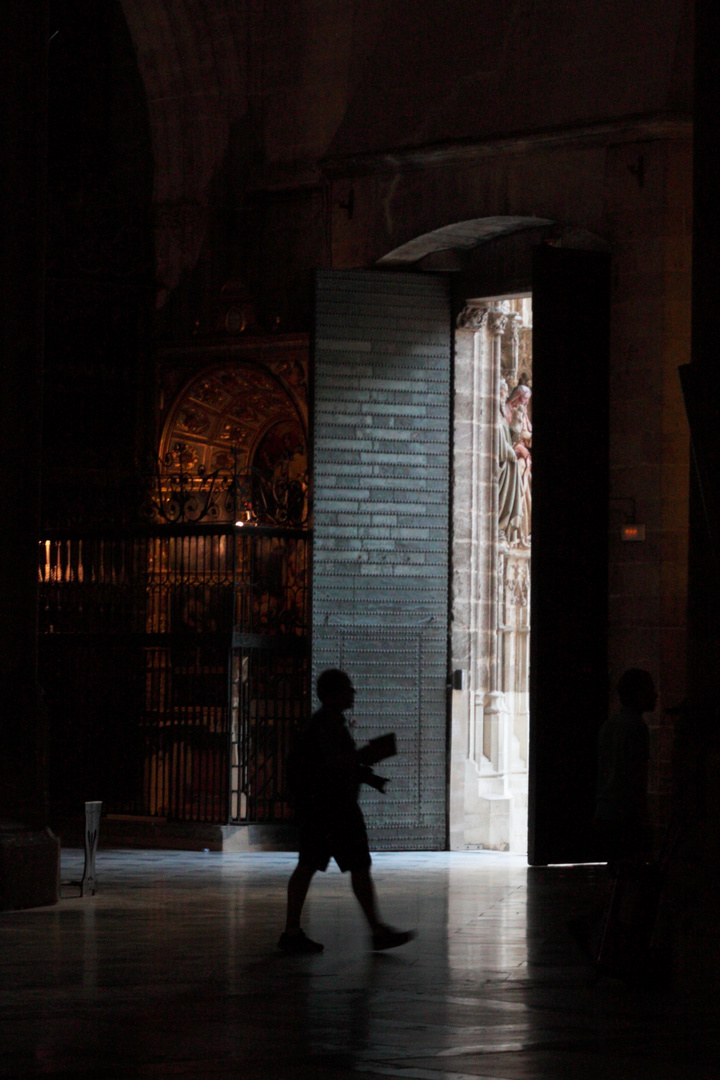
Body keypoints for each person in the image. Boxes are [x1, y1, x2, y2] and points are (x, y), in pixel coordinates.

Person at [279, 669, 415, 955]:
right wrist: (369, 755)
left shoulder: (327, 723)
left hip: (325, 809)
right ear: (332, 694)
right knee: (350, 867)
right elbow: (335, 764)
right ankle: (374, 931)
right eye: (348, 689)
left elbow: (337, 763)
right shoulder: (326, 724)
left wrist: (366, 775)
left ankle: (294, 930)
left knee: (318, 866)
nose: (353, 693)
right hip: (332, 810)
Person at [595, 668, 657, 865]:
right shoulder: (636, 728)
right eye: (650, 689)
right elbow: (635, 775)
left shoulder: (609, 725)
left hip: (606, 811)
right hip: (625, 813)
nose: (655, 694)